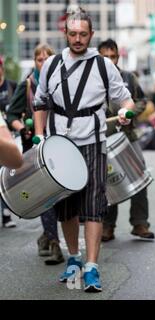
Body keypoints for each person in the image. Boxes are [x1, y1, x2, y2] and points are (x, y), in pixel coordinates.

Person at [33, 7, 135, 292]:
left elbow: (125, 100)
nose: (78, 39)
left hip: (92, 142)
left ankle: (91, 266)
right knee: (65, 208)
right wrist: (40, 135)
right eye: (73, 33)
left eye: (83, 34)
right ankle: (74, 259)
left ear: (91, 34)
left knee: (92, 206)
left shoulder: (104, 65)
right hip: (58, 147)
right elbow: (40, 102)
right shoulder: (51, 65)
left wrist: (126, 112)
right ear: (65, 33)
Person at [6, 44, 64, 264]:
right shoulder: (28, 84)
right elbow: (12, 114)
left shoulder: (61, 82)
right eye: (39, 59)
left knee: (63, 195)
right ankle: (54, 242)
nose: (43, 62)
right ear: (35, 62)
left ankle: (46, 235)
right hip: (36, 147)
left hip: (59, 144)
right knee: (46, 196)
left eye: (47, 58)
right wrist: (23, 129)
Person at [97, 38, 155, 242]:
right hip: (103, 138)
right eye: (106, 57)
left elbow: (141, 101)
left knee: (139, 178)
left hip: (128, 136)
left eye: (113, 56)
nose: (110, 60)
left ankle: (140, 224)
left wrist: (130, 113)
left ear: (118, 57)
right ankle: (107, 226)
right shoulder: (93, 79)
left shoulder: (128, 78)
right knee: (108, 182)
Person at [0, 56, 19, 228]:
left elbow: (16, 111)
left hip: (9, 138)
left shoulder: (11, 86)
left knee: (5, 174)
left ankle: (6, 214)